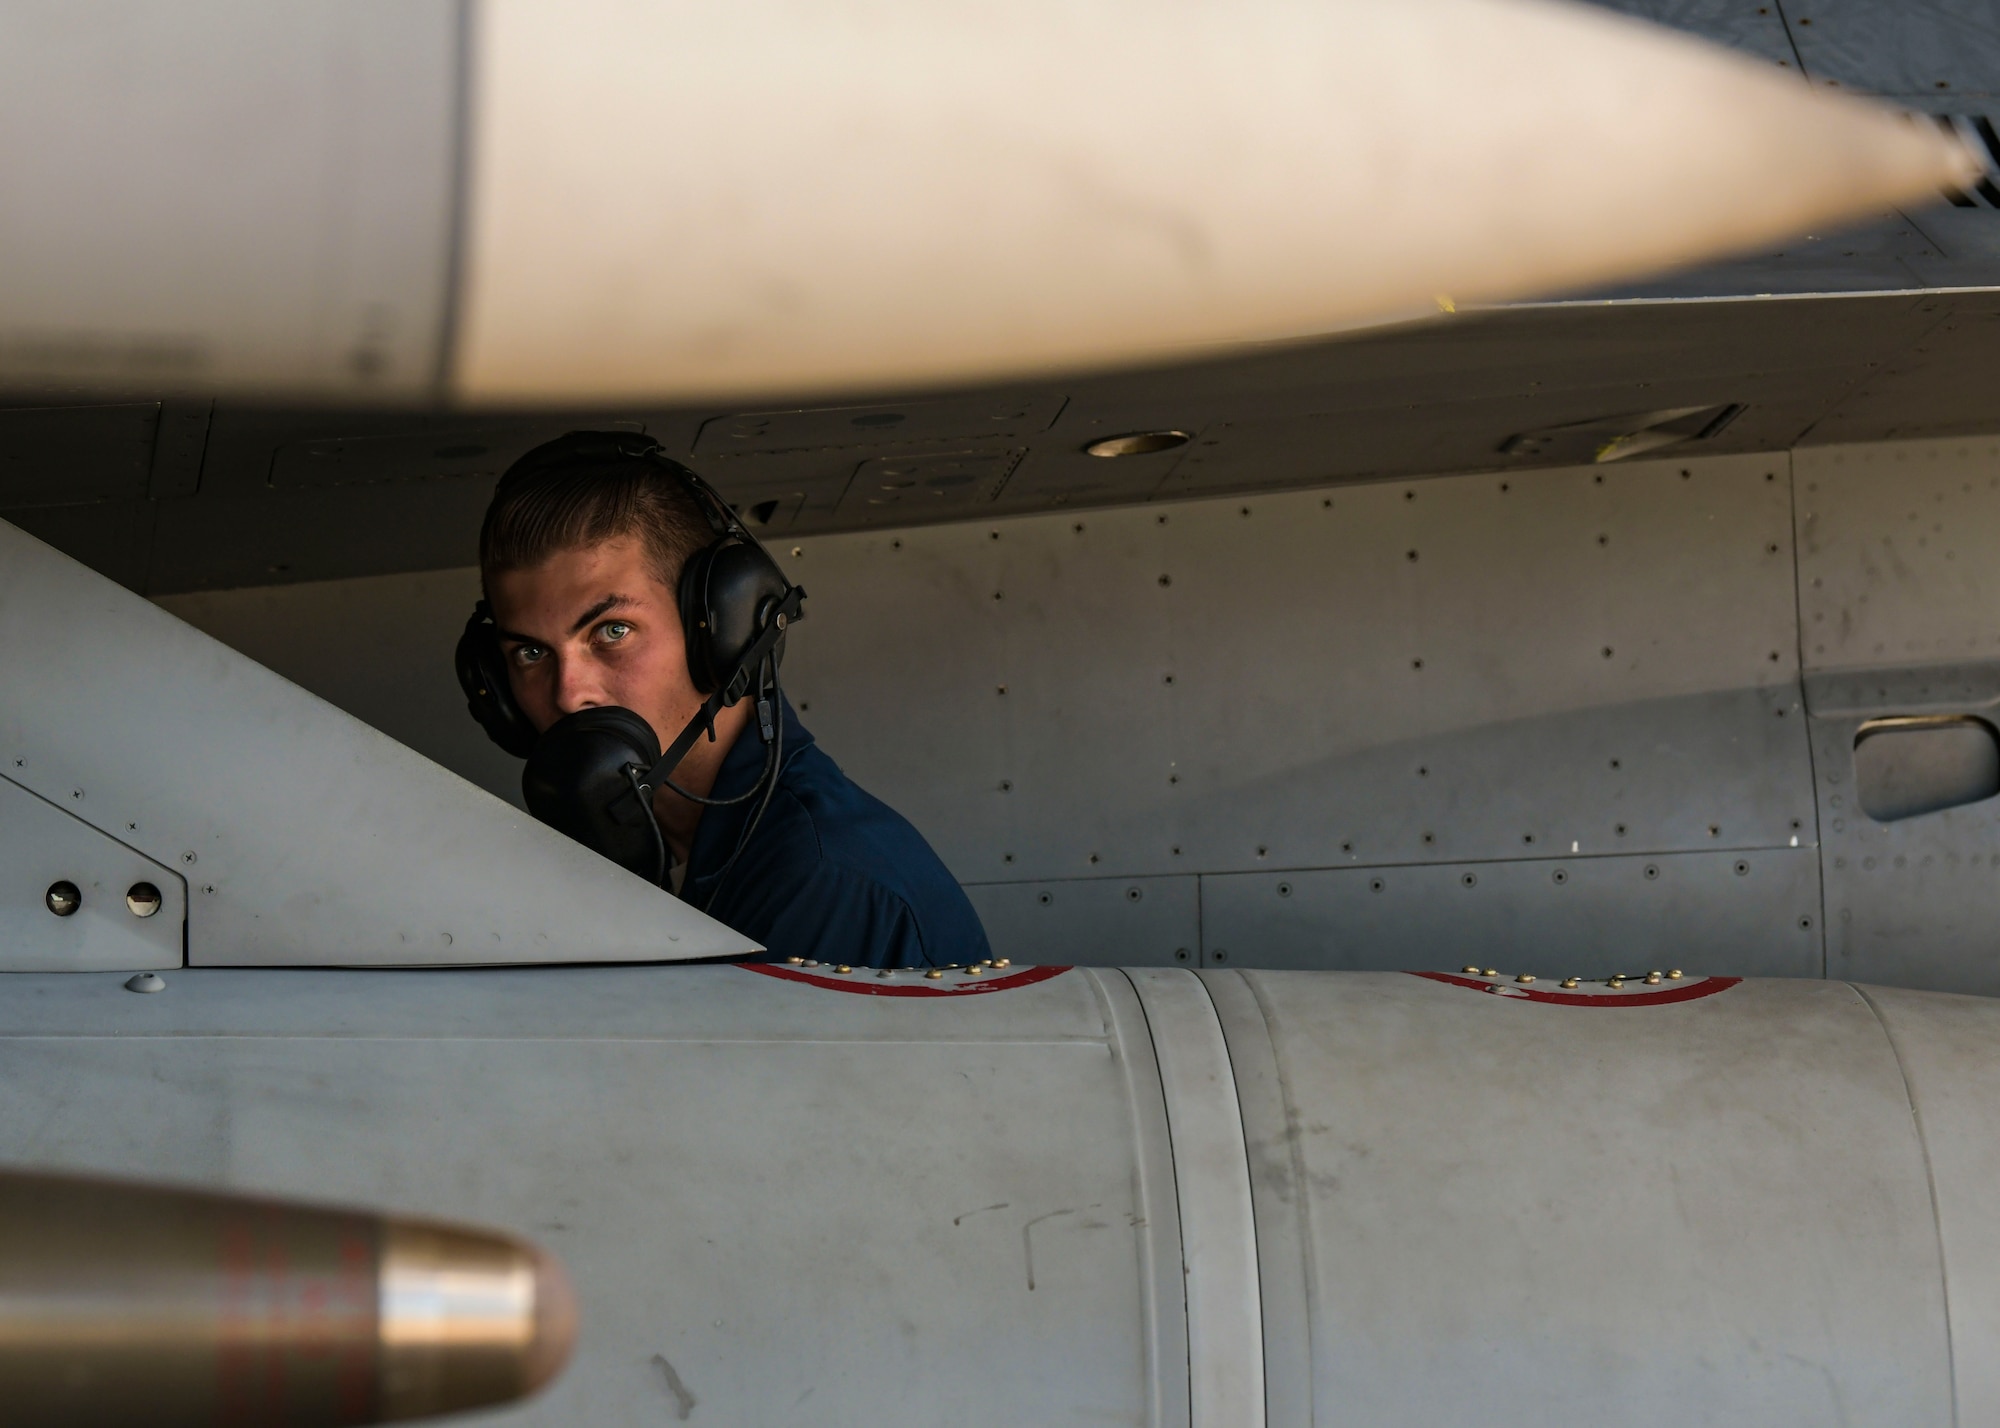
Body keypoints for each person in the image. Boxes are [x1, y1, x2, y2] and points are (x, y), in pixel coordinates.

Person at [463, 431, 991, 971]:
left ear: (723, 632)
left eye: (613, 631)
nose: (569, 694)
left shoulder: (825, 888)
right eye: (530, 651)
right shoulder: (635, 854)